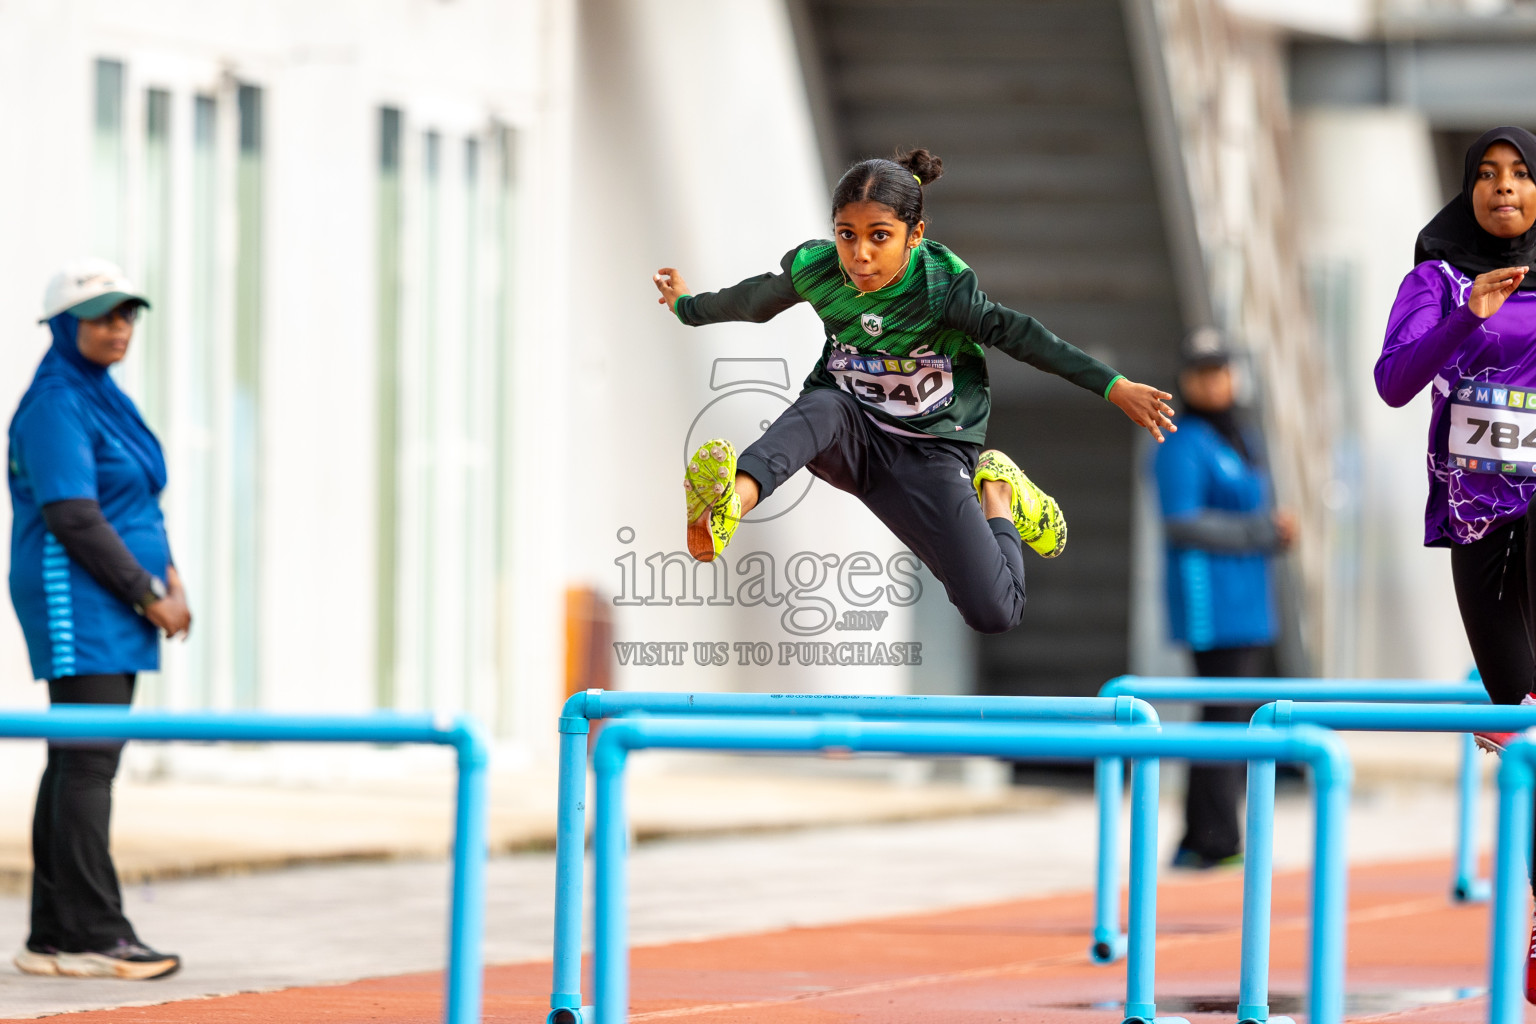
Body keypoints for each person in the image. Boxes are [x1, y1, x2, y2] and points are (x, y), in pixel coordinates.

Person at [652, 149, 1176, 634]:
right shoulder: (818, 269)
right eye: (846, 235)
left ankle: (1000, 492)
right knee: (822, 406)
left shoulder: (941, 288)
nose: (859, 255)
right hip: (852, 432)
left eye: (879, 236)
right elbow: (753, 301)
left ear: (914, 234)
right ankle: (729, 506)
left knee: (995, 611)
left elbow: (1023, 335)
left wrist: (1114, 385)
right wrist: (687, 306)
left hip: (933, 448)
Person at [1375, 126, 1536, 1001]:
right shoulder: (1437, 280)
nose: (1502, 188)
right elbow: (1395, 382)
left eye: (1519, 175)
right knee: (1519, 715)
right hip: (1477, 512)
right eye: (1486, 174)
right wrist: (1466, 319)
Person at [9, 258, 190, 980]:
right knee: (88, 763)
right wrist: (148, 592)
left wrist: (167, 578)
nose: (119, 328)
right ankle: (93, 931)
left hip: (116, 599)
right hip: (76, 596)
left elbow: (134, 497)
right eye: (102, 315)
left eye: (127, 315)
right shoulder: (57, 401)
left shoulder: (102, 395)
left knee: (78, 763)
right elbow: (75, 516)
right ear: (63, 326)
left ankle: (54, 935)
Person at [1153, 338, 1295, 870]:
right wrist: (1260, 530)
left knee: (1232, 716)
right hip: (1210, 600)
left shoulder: (1242, 438)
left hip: (1249, 598)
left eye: (1221, 371)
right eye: (1201, 373)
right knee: (1223, 717)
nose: (1213, 382)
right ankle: (1213, 839)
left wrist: (1275, 531)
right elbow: (1182, 520)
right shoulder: (1181, 441)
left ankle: (1201, 837)